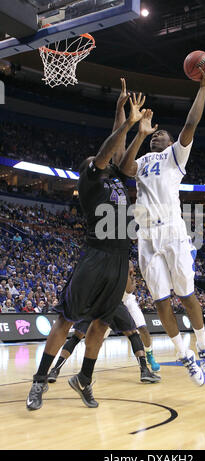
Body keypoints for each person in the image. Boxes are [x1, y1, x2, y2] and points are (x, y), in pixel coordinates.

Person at [26, 85, 147, 411]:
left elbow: (121, 150)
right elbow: (110, 148)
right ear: (90, 168)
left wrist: (131, 123)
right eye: (99, 159)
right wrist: (126, 124)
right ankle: (39, 381)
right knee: (66, 320)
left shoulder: (118, 179)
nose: (105, 159)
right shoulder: (92, 182)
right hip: (96, 257)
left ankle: (84, 379)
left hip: (120, 259)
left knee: (102, 325)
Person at [119, 62, 205, 386]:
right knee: (160, 302)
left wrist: (202, 87)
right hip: (147, 237)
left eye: (159, 133)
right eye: (153, 135)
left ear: (171, 140)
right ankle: (183, 354)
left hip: (173, 231)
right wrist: (139, 133)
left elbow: (191, 122)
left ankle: (203, 346)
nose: (155, 136)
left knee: (186, 296)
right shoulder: (143, 160)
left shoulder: (176, 156)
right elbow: (123, 166)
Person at [48, 261, 160, 385]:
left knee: (77, 336)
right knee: (132, 334)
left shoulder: (100, 260)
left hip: (93, 300)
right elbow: (129, 289)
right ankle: (144, 370)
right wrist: (131, 277)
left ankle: (55, 370)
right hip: (112, 301)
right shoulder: (122, 266)